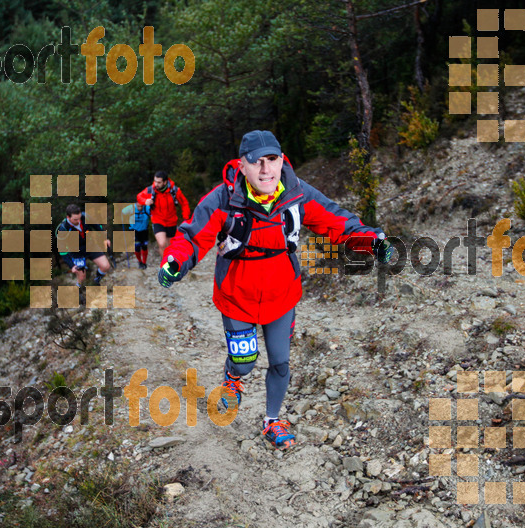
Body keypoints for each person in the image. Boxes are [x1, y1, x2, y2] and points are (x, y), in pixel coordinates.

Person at [156, 130, 392, 449]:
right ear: (242, 165)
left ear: (282, 160)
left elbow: (337, 223)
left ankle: (272, 420)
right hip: (237, 296)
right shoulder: (222, 199)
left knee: (280, 362)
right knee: (246, 361)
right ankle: (232, 377)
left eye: (273, 160)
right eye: (257, 162)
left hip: (282, 293)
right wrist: (175, 261)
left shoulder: (296, 193)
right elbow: (193, 236)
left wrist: (372, 242)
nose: (266, 170)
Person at [55, 204, 112, 288]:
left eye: (79, 218)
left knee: (106, 266)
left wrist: (105, 238)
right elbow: (62, 250)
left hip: (90, 246)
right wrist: (72, 266)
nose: (78, 221)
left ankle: (96, 281)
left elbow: (98, 226)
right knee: (82, 277)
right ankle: (79, 291)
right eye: (75, 219)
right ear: (68, 217)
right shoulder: (63, 228)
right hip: (76, 252)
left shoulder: (85, 217)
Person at [136, 171, 191, 254]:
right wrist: (145, 201)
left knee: (170, 246)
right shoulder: (151, 190)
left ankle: (170, 264)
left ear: (165, 182)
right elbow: (139, 197)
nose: (156, 184)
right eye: (155, 181)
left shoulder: (175, 190)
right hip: (157, 220)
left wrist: (186, 217)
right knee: (162, 244)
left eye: (159, 182)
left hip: (171, 221)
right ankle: (164, 265)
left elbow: (184, 203)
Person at [121, 201, 152, 269]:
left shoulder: (147, 208)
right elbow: (123, 211)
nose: (140, 208)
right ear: (136, 204)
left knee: (144, 246)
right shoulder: (131, 208)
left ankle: (144, 262)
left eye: (141, 206)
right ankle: (140, 262)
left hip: (144, 230)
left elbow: (153, 212)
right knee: (137, 246)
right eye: (138, 206)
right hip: (134, 230)